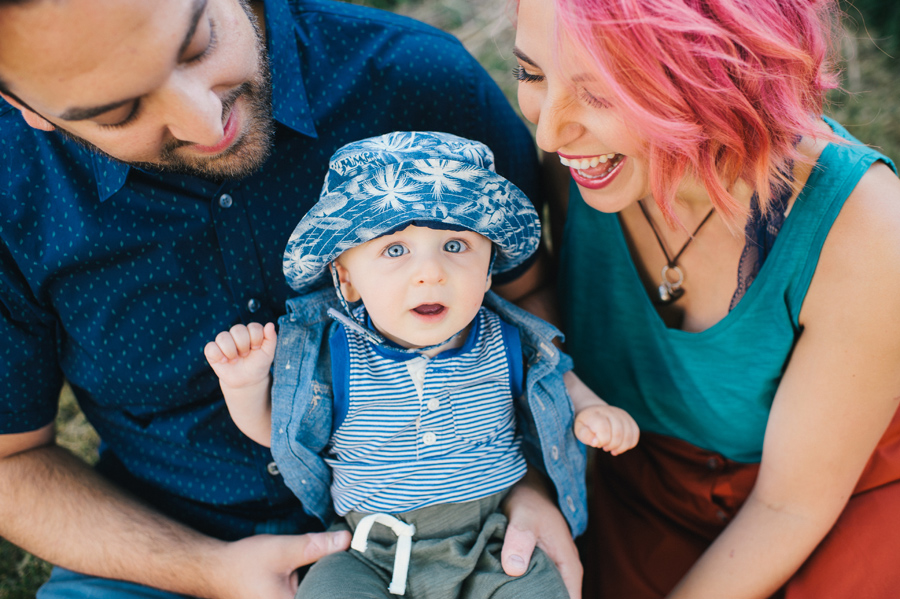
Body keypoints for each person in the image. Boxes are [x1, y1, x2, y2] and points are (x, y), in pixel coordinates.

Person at [0, 1, 582, 597]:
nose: (206, 124)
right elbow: (10, 461)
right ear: (27, 107)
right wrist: (201, 568)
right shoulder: (10, 183)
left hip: (470, 522)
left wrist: (529, 480)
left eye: (198, 44)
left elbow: (524, 290)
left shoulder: (416, 77)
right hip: (162, 541)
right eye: (119, 112)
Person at [511, 0, 900, 597]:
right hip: (641, 480)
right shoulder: (585, 164)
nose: (549, 130)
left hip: (831, 496)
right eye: (531, 74)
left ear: (722, 78)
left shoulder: (868, 227)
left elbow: (789, 507)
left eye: (601, 93)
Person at [204, 131, 638, 598]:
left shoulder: (505, 340)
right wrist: (245, 385)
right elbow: (281, 431)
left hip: (493, 538)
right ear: (347, 281)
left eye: (455, 247)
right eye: (395, 250)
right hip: (372, 551)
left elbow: (558, 379)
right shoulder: (337, 354)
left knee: (538, 588)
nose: (431, 272)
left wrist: (592, 410)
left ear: (489, 269)